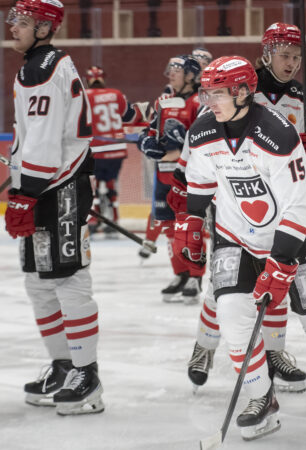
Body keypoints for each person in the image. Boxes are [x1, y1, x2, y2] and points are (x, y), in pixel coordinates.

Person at [173, 56, 306, 440]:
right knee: (232, 314)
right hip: (235, 235)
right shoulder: (202, 131)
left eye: (217, 93)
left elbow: (299, 205)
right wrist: (192, 222)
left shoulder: (276, 134)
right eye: (206, 93)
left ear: (243, 92)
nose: (209, 101)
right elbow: (199, 180)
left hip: (297, 237)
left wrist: (280, 262)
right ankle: (261, 398)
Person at [185, 23, 306, 394]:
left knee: (274, 279)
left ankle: (273, 351)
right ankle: (204, 345)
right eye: (284, 55)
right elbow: (204, 139)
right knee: (224, 283)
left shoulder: (301, 97)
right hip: (235, 202)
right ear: (267, 53)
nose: (291, 63)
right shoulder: (239, 84)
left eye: (296, 57)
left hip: (279, 205)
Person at [5, 0, 104, 415]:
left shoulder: (41, 69)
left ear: (45, 28)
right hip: (46, 185)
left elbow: (45, 140)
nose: (13, 27)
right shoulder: (39, 64)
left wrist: (25, 193)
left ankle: (87, 375)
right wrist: (23, 184)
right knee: (39, 283)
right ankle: (64, 366)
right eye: (12, 19)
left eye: (23, 22)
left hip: (58, 188)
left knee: (69, 279)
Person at [136, 54, 206, 304]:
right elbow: (150, 131)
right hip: (162, 175)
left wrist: (181, 147)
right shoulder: (163, 101)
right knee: (169, 229)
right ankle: (180, 274)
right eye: (171, 69)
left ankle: (195, 277)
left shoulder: (200, 102)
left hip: (186, 177)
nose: (172, 73)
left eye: (178, 69)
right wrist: (146, 143)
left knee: (189, 228)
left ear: (190, 74)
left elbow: (203, 140)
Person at [85, 66, 128, 234]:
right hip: (117, 148)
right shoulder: (116, 94)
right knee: (111, 182)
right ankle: (114, 217)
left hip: (96, 148)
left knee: (92, 184)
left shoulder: (84, 95)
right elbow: (126, 114)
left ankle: (94, 219)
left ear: (88, 80)